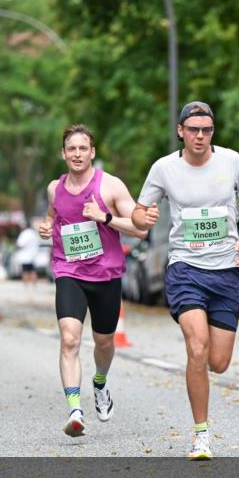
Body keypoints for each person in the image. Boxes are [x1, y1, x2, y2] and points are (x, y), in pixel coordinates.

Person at [132, 101, 239, 460]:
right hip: (185, 268)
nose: (200, 136)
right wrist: (145, 215)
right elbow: (137, 213)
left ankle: (201, 370)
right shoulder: (163, 168)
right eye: (194, 129)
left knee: (217, 361)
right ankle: (201, 436)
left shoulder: (232, 162)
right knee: (197, 347)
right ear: (181, 131)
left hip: (225, 271)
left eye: (207, 129)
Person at [39, 124, 146, 437]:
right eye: (71, 149)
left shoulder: (110, 186)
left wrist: (105, 218)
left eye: (82, 148)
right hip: (69, 271)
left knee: (103, 342)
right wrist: (46, 226)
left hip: (106, 274)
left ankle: (100, 382)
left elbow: (140, 229)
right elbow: (52, 214)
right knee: (70, 339)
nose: (76, 154)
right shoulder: (53, 187)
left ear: (92, 153)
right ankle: (75, 410)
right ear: (63, 153)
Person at [14, 221, 41, 288]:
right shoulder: (33, 233)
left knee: (25, 271)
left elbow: (20, 244)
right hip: (33, 255)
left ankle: (26, 286)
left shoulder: (24, 234)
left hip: (25, 256)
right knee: (32, 270)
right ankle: (34, 285)